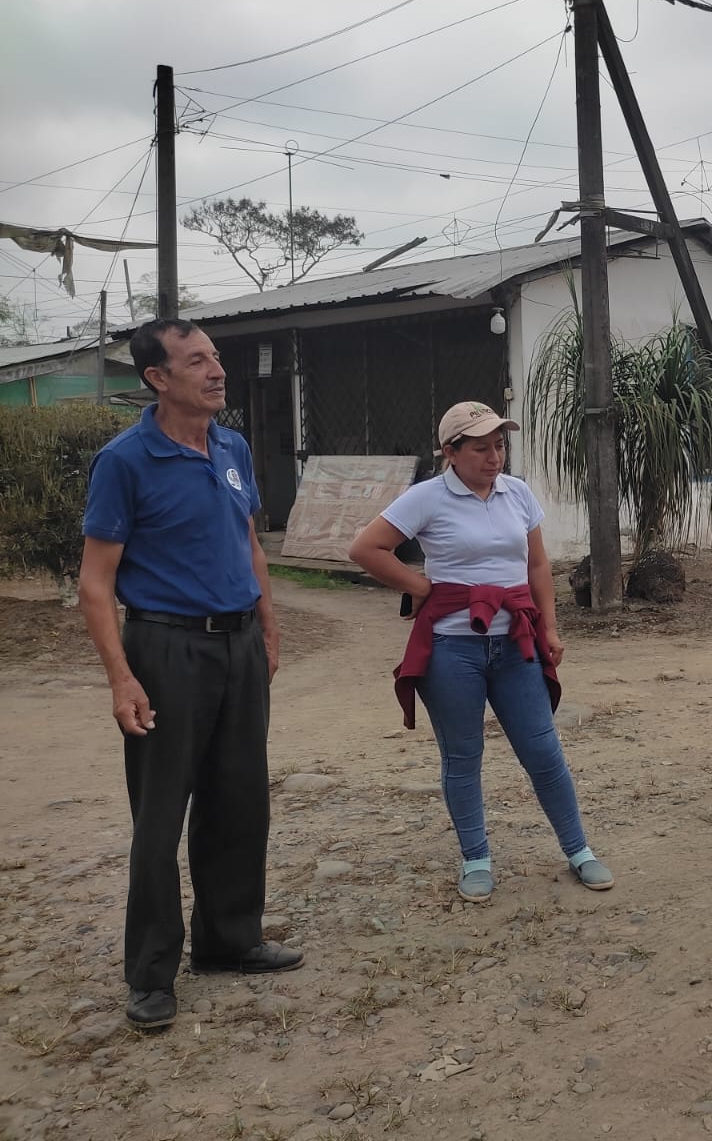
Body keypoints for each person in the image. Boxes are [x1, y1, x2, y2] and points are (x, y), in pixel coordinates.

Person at [79, 318, 302, 1032]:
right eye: (197, 360)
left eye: (216, 357)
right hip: (166, 649)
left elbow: (249, 542)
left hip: (238, 645)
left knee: (240, 799)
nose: (216, 370)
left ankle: (229, 940)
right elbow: (95, 584)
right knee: (160, 813)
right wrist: (122, 679)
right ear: (158, 378)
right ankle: (150, 974)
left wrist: (267, 626)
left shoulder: (232, 447)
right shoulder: (125, 461)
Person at [349, 401, 612, 903]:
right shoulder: (427, 497)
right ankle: (476, 858)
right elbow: (365, 548)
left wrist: (549, 628)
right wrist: (421, 587)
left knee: (542, 750)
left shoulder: (518, 493)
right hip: (452, 648)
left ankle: (579, 850)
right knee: (463, 755)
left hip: (515, 644)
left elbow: (536, 566)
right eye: (481, 448)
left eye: (499, 445)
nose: (494, 457)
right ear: (450, 453)